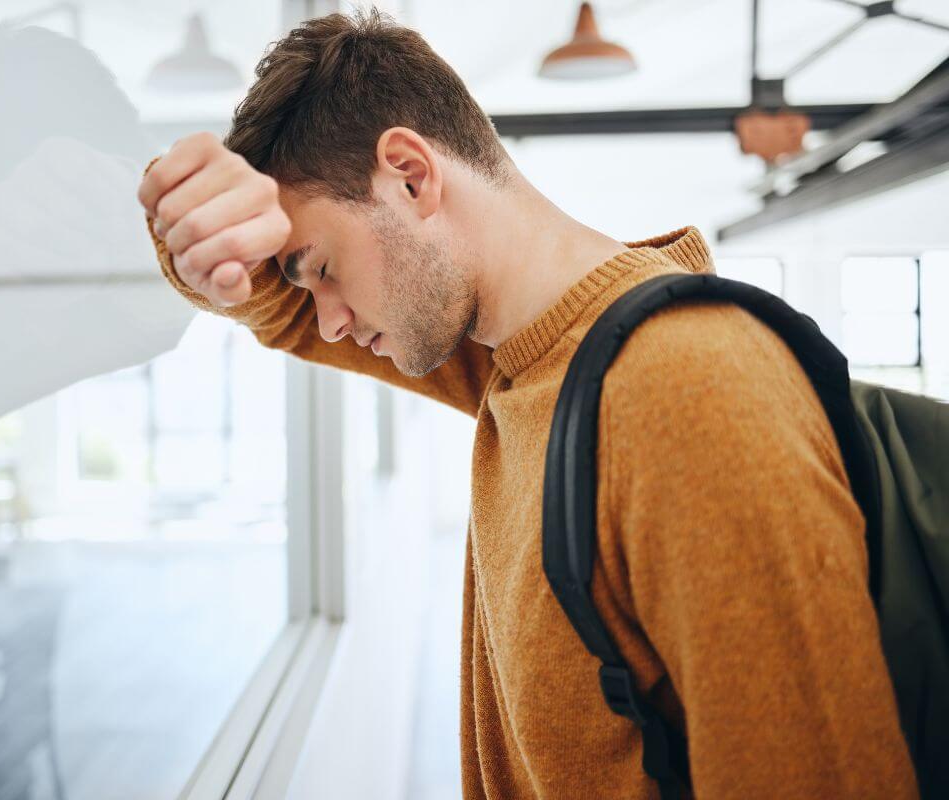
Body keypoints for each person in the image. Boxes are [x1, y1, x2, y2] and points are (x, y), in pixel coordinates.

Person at [136, 8, 917, 798]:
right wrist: (202, 227)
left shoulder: (687, 392)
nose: (329, 317)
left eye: (324, 266)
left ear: (411, 175)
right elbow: (284, 312)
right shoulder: (523, 358)